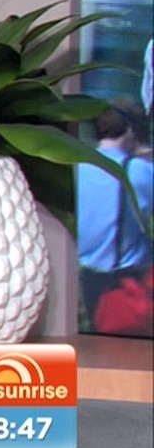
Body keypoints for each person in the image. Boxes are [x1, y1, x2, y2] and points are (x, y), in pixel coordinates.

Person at [77, 100, 154, 331]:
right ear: (131, 131)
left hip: (81, 284)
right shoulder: (140, 171)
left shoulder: (76, 166)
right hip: (127, 286)